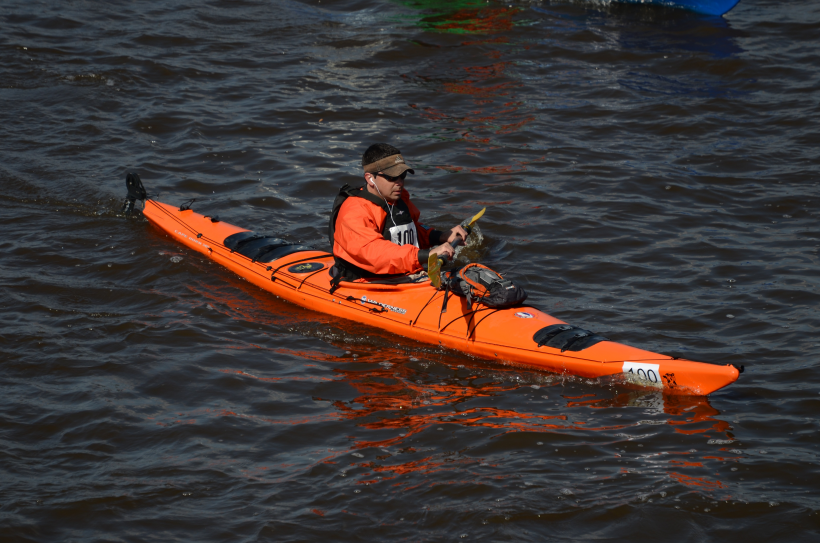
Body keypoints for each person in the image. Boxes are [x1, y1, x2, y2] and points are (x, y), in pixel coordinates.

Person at [329, 143, 468, 286]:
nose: (400, 182)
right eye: (392, 177)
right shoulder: (354, 212)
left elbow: (409, 230)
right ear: (370, 178)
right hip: (367, 283)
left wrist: (440, 236)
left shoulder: (398, 199)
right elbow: (376, 253)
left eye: (403, 175)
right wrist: (426, 255)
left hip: (404, 275)